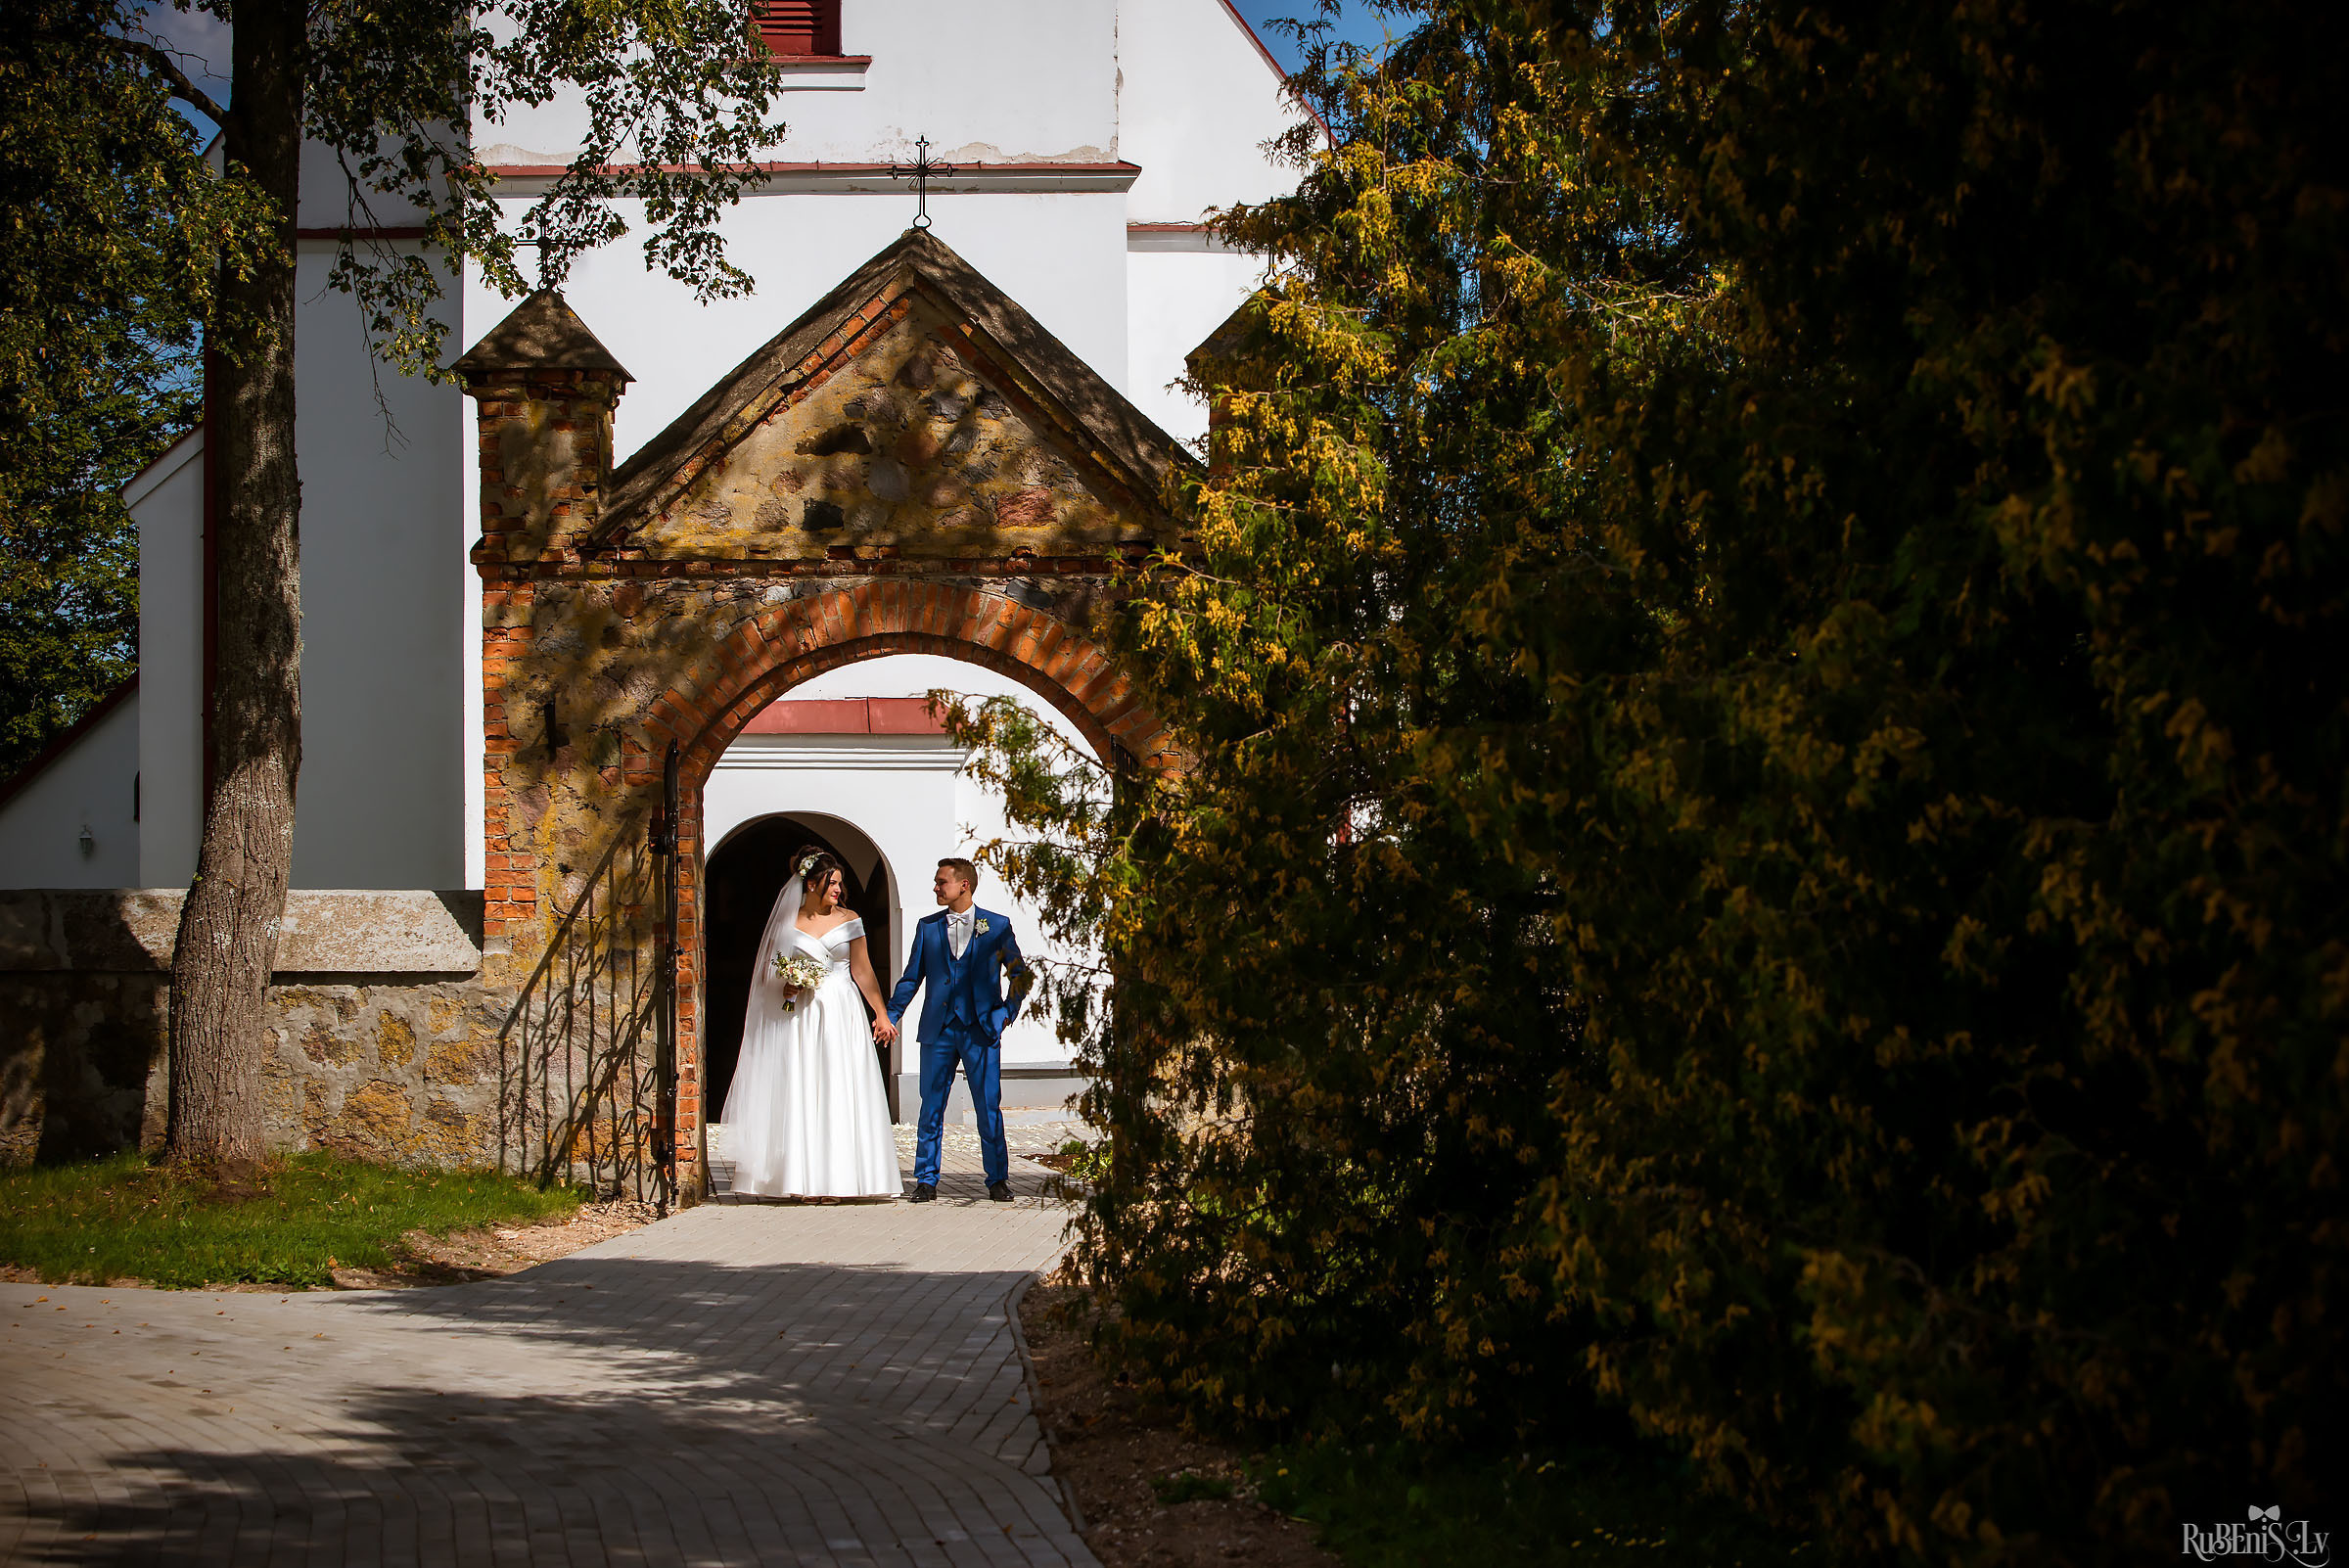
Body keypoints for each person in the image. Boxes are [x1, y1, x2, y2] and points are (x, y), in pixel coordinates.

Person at [720, 851, 902, 1198]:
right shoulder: (787, 922)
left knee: (837, 1086)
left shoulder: (850, 919)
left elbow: (862, 971)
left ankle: (839, 1180)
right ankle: (801, 1180)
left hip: (840, 1011)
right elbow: (769, 973)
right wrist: (785, 983)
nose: (838, 889)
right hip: (801, 1015)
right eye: (831, 883)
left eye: (839, 882)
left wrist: (880, 1012)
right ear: (811, 883)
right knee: (802, 1087)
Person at [887, 856, 1030, 1202]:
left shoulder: (996, 926)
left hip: (981, 1029)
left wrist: (1004, 1016)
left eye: (941, 882)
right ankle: (926, 1180)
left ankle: (997, 1178)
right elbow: (911, 978)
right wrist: (890, 1015)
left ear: (963, 884)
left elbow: (1020, 976)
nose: (936, 888)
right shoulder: (927, 927)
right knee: (931, 1106)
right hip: (938, 1029)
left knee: (987, 1106)